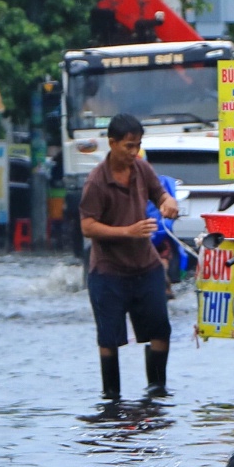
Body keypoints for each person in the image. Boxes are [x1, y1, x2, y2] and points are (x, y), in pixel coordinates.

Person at [80, 112, 178, 400]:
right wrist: (128, 231)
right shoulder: (96, 181)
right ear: (112, 143)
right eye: (128, 146)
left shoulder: (141, 168)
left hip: (145, 266)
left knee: (160, 330)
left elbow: (160, 194)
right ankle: (111, 397)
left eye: (138, 145)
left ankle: (157, 390)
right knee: (109, 340)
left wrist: (167, 202)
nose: (134, 152)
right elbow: (87, 226)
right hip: (108, 271)